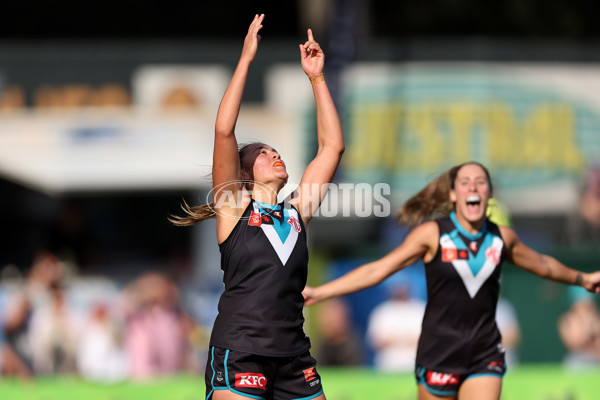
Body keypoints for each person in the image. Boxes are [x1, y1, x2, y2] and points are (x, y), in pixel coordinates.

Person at [303, 162, 600, 400]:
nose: (474, 187)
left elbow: (543, 264)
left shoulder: (501, 238)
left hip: (484, 351)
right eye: (465, 182)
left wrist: (582, 278)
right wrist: (322, 291)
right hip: (439, 352)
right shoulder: (433, 234)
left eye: (481, 182)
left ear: (490, 194)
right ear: (454, 195)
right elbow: (378, 270)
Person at [170, 14, 344, 400]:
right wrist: (246, 59)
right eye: (262, 153)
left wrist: (316, 78)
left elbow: (331, 148)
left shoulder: (296, 213)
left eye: (277, 150)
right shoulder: (232, 208)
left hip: (295, 356)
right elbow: (224, 131)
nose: (274, 154)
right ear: (244, 174)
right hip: (241, 349)